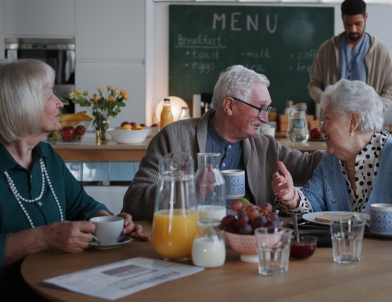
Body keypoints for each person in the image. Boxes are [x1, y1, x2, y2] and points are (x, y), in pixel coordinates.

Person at [0, 59, 150, 300]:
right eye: (49, 95)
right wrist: (45, 237)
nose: (60, 102)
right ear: (19, 103)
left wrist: (109, 224)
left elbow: (81, 205)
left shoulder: (46, 155)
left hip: (55, 283)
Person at [123, 65, 324, 221]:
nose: (264, 119)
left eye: (267, 110)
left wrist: (350, 148)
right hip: (191, 238)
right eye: (260, 108)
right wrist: (188, 191)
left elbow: (311, 165)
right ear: (229, 105)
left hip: (245, 242)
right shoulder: (174, 137)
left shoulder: (265, 146)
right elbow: (134, 198)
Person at [273, 79, 392, 240]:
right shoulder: (331, 160)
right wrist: (292, 197)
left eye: (327, 118)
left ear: (353, 121)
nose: (322, 128)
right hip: (344, 259)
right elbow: (311, 207)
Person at [308, 0, 392, 111]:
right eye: (348, 24)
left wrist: (377, 108)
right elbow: (314, 84)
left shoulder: (381, 52)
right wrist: (324, 100)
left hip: (367, 120)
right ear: (342, 19)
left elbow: (391, 88)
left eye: (358, 24)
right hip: (333, 118)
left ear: (366, 17)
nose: (353, 29)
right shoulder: (327, 49)